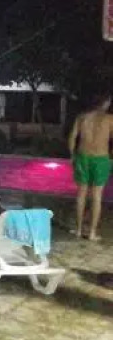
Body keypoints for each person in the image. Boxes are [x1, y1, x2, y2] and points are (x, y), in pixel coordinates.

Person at [68, 94, 113, 241]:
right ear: (105, 103)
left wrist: (72, 156)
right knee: (97, 196)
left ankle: (79, 230)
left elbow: (72, 137)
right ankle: (92, 233)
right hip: (101, 158)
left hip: (83, 157)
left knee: (81, 194)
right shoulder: (109, 119)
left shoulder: (82, 118)